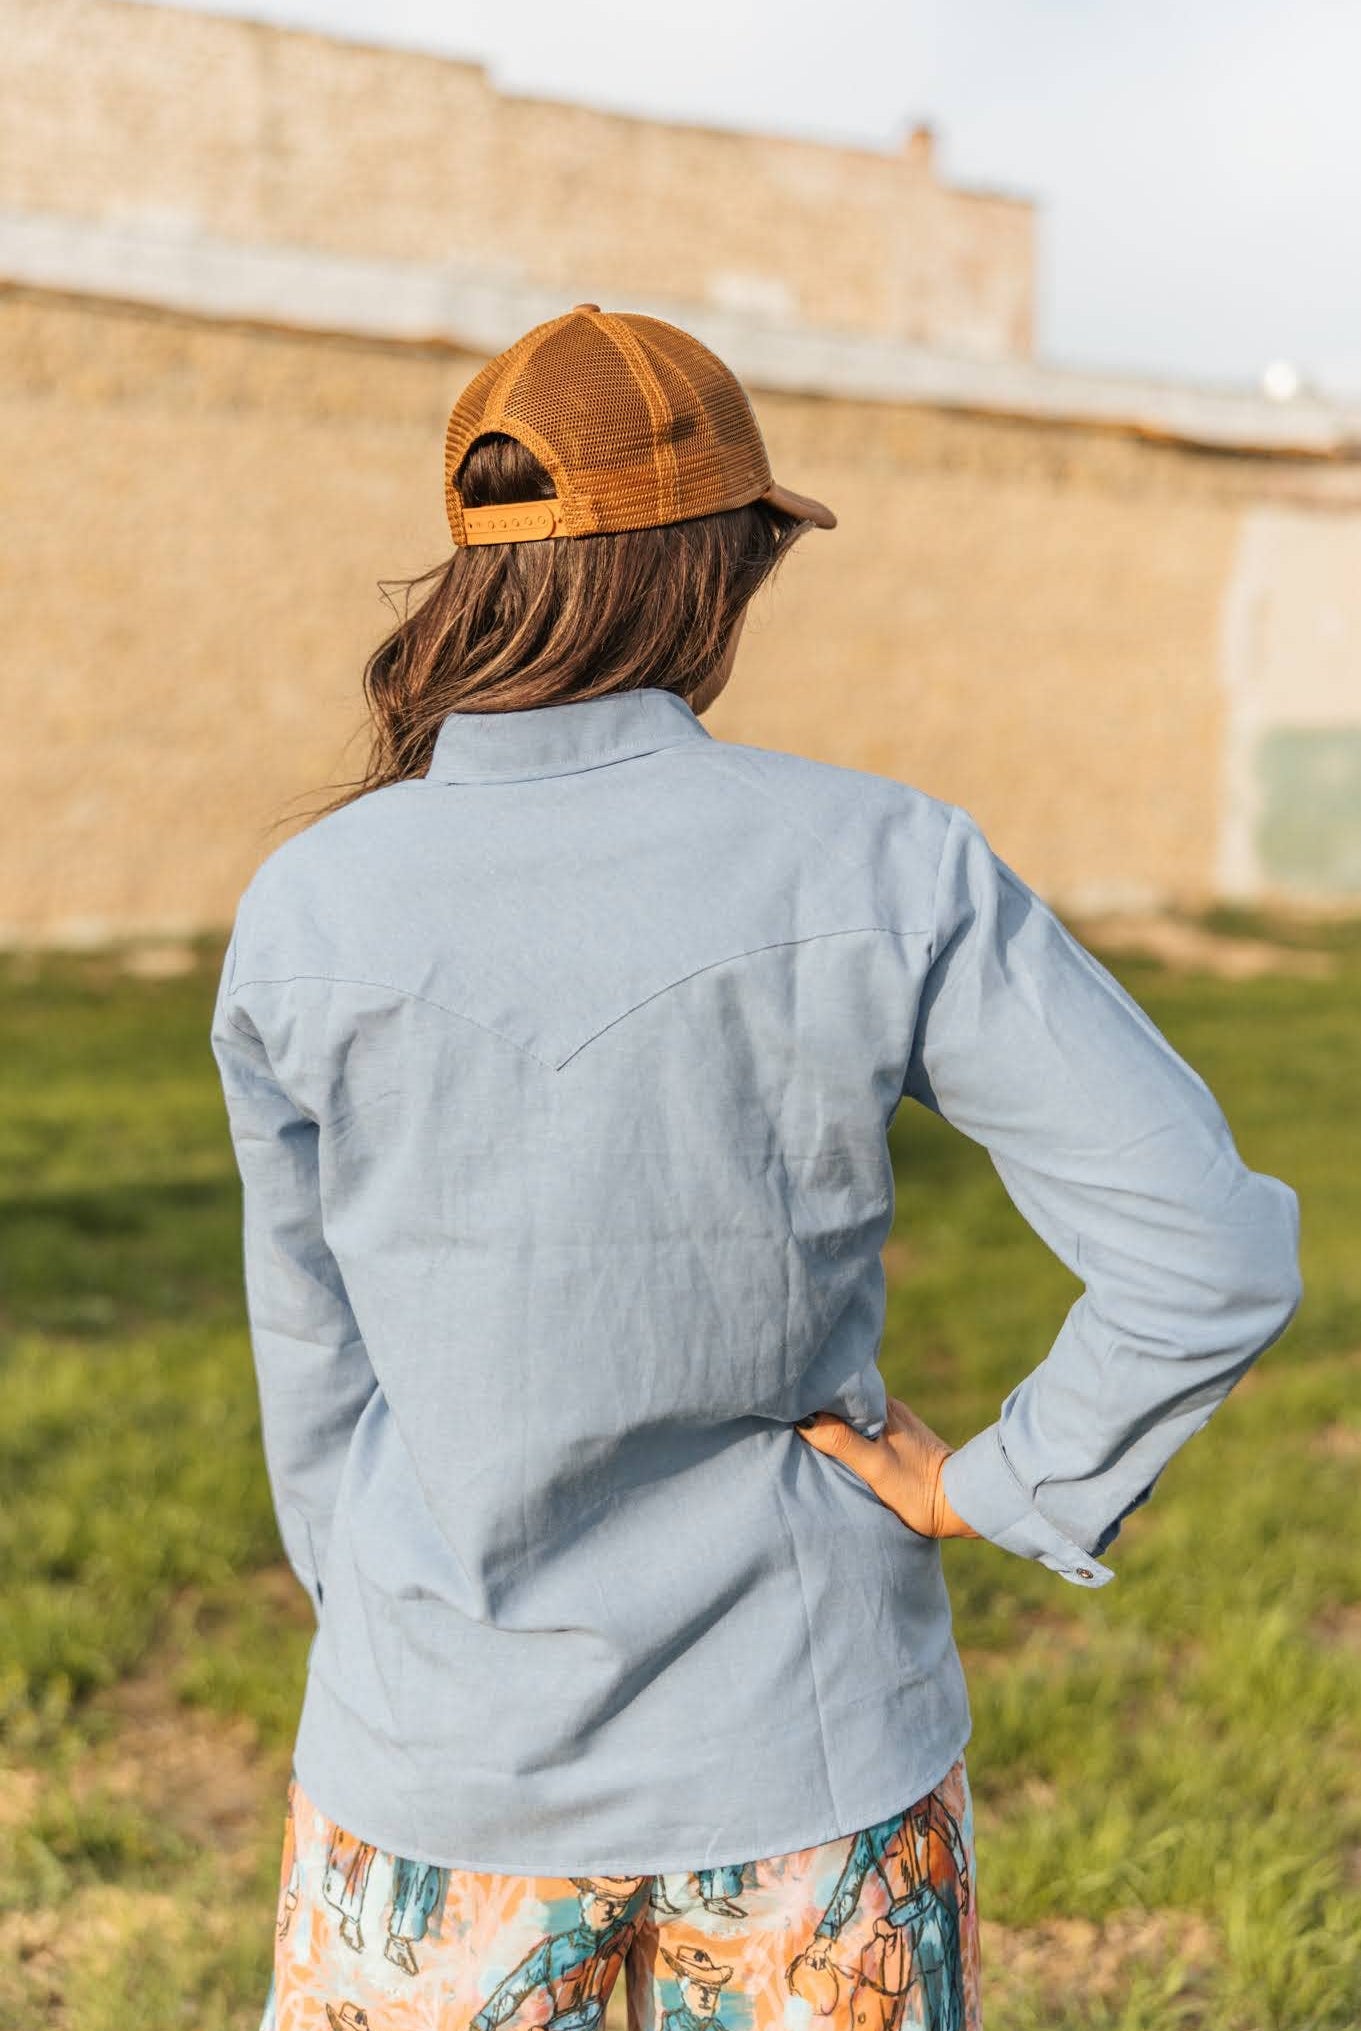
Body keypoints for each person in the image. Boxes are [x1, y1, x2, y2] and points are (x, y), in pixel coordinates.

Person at [211, 305, 1302, 2031]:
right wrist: (1004, 1485)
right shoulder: (884, 859)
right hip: (814, 1770)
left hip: (431, 1775)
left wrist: (411, 1642)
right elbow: (1207, 1250)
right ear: (719, 567)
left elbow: (313, 1362)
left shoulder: (307, 908)